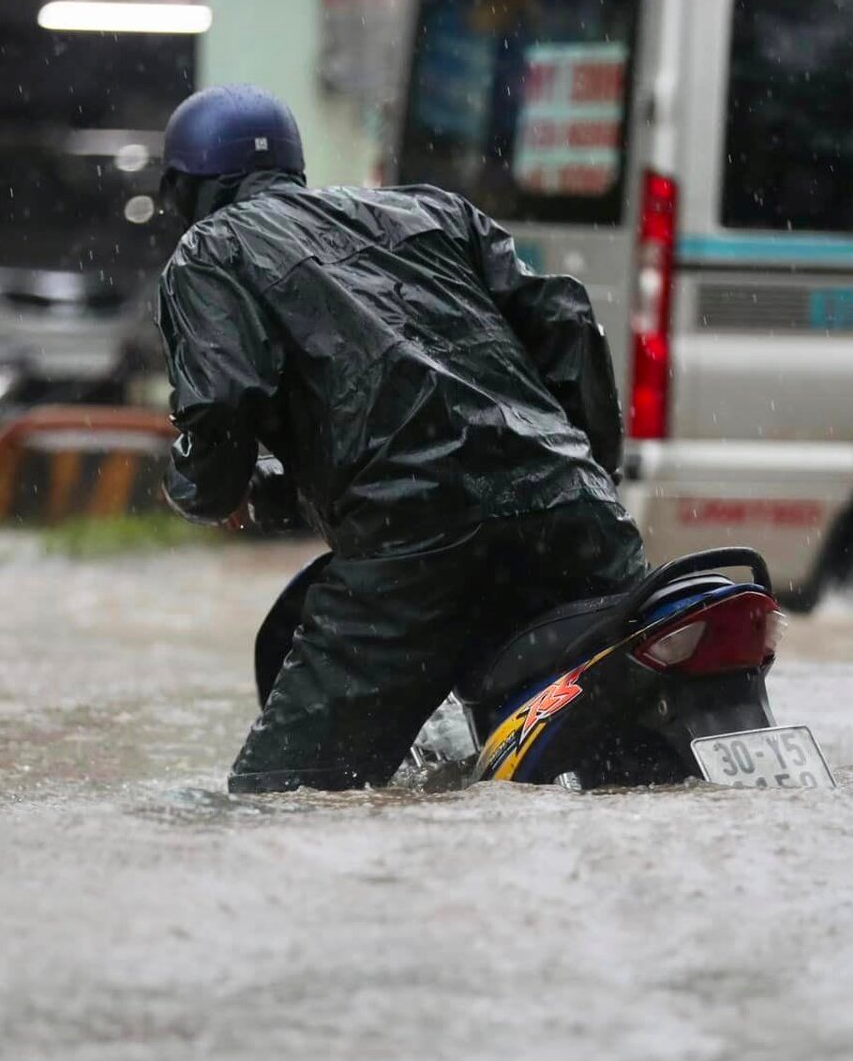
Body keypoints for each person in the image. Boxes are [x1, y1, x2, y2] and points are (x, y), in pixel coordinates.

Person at [155, 84, 647, 794]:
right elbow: (568, 323)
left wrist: (203, 490)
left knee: (277, 802)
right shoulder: (432, 209)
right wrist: (588, 475)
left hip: (413, 551)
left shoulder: (211, 251)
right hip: (580, 519)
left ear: (183, 188)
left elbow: (225, 400)